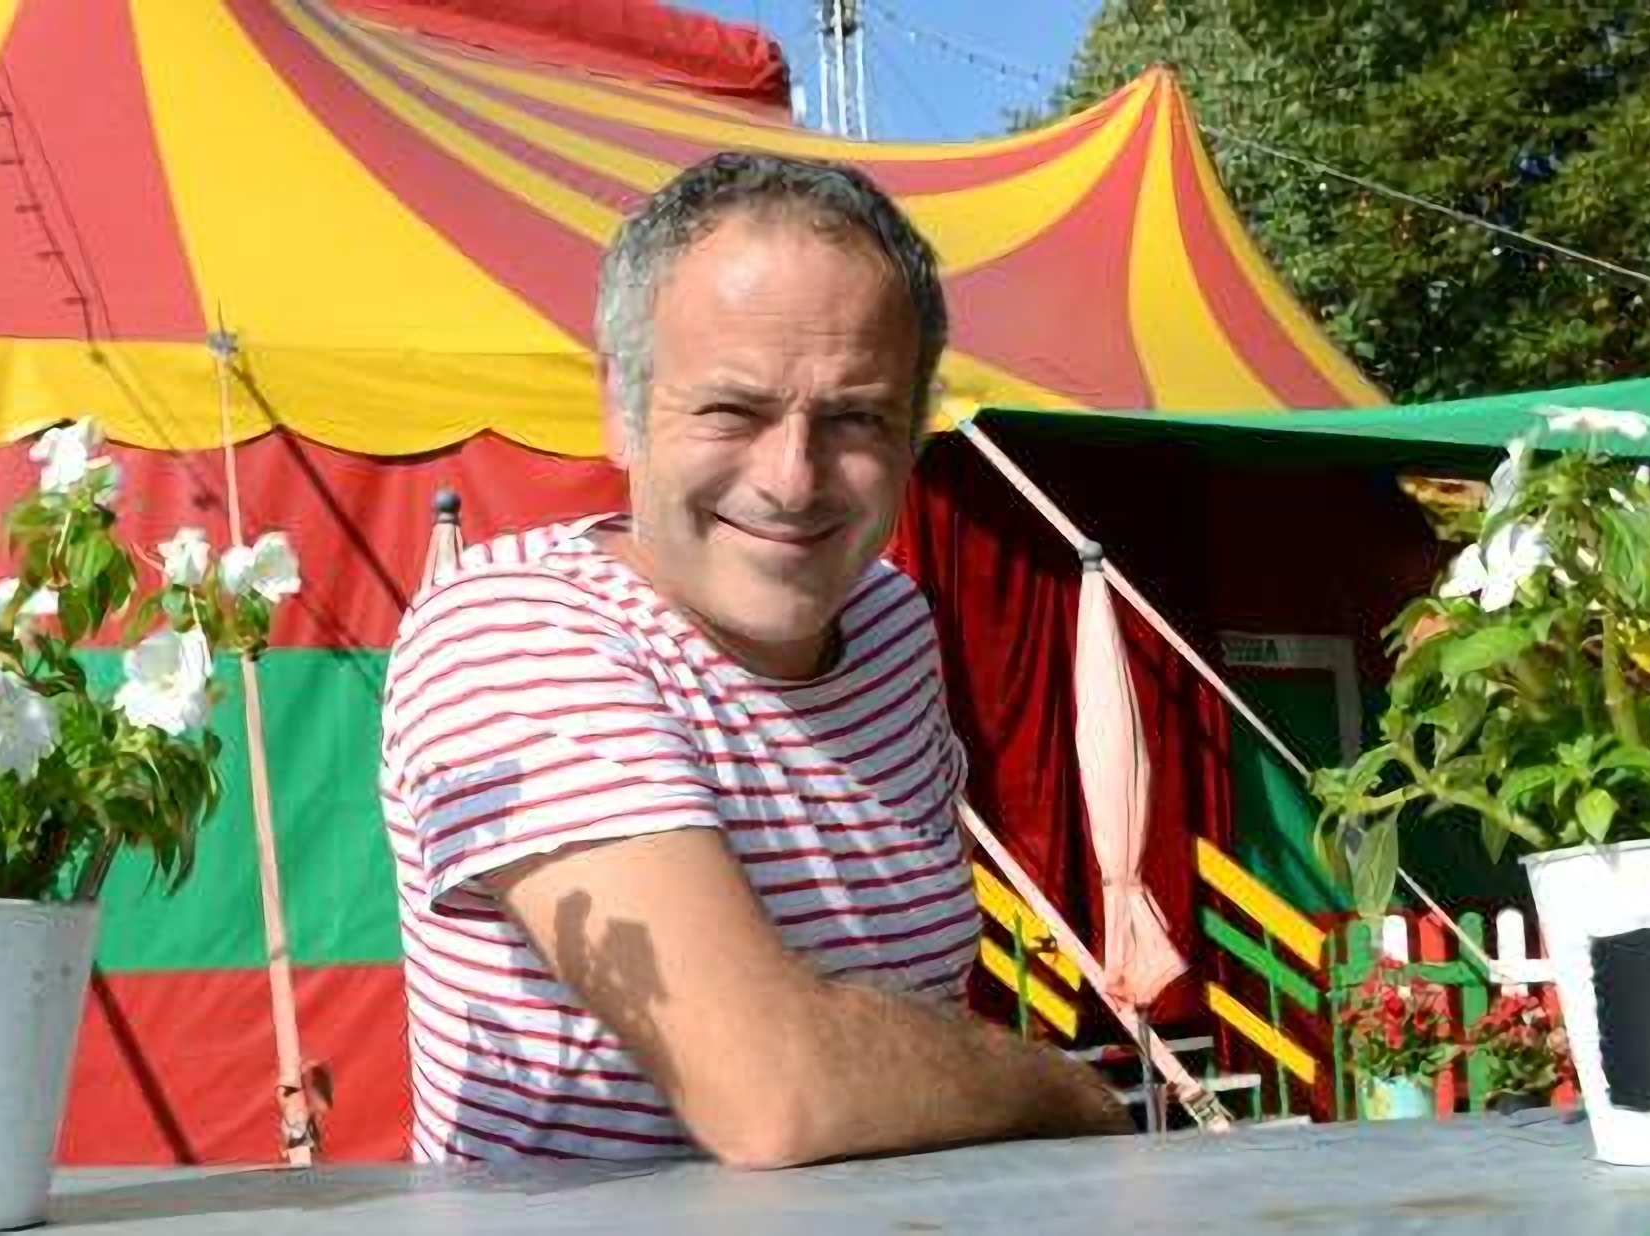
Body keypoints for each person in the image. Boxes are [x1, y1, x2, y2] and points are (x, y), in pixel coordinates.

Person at [378, 152, 1132, 1167]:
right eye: (733, 410)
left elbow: (898, 1024)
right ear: (622, 407)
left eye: (855, 417)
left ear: (914, 429)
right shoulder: (513, 630)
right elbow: (772, 1094)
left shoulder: (890, 623)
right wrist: (1071, 1091)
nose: (792, 479)